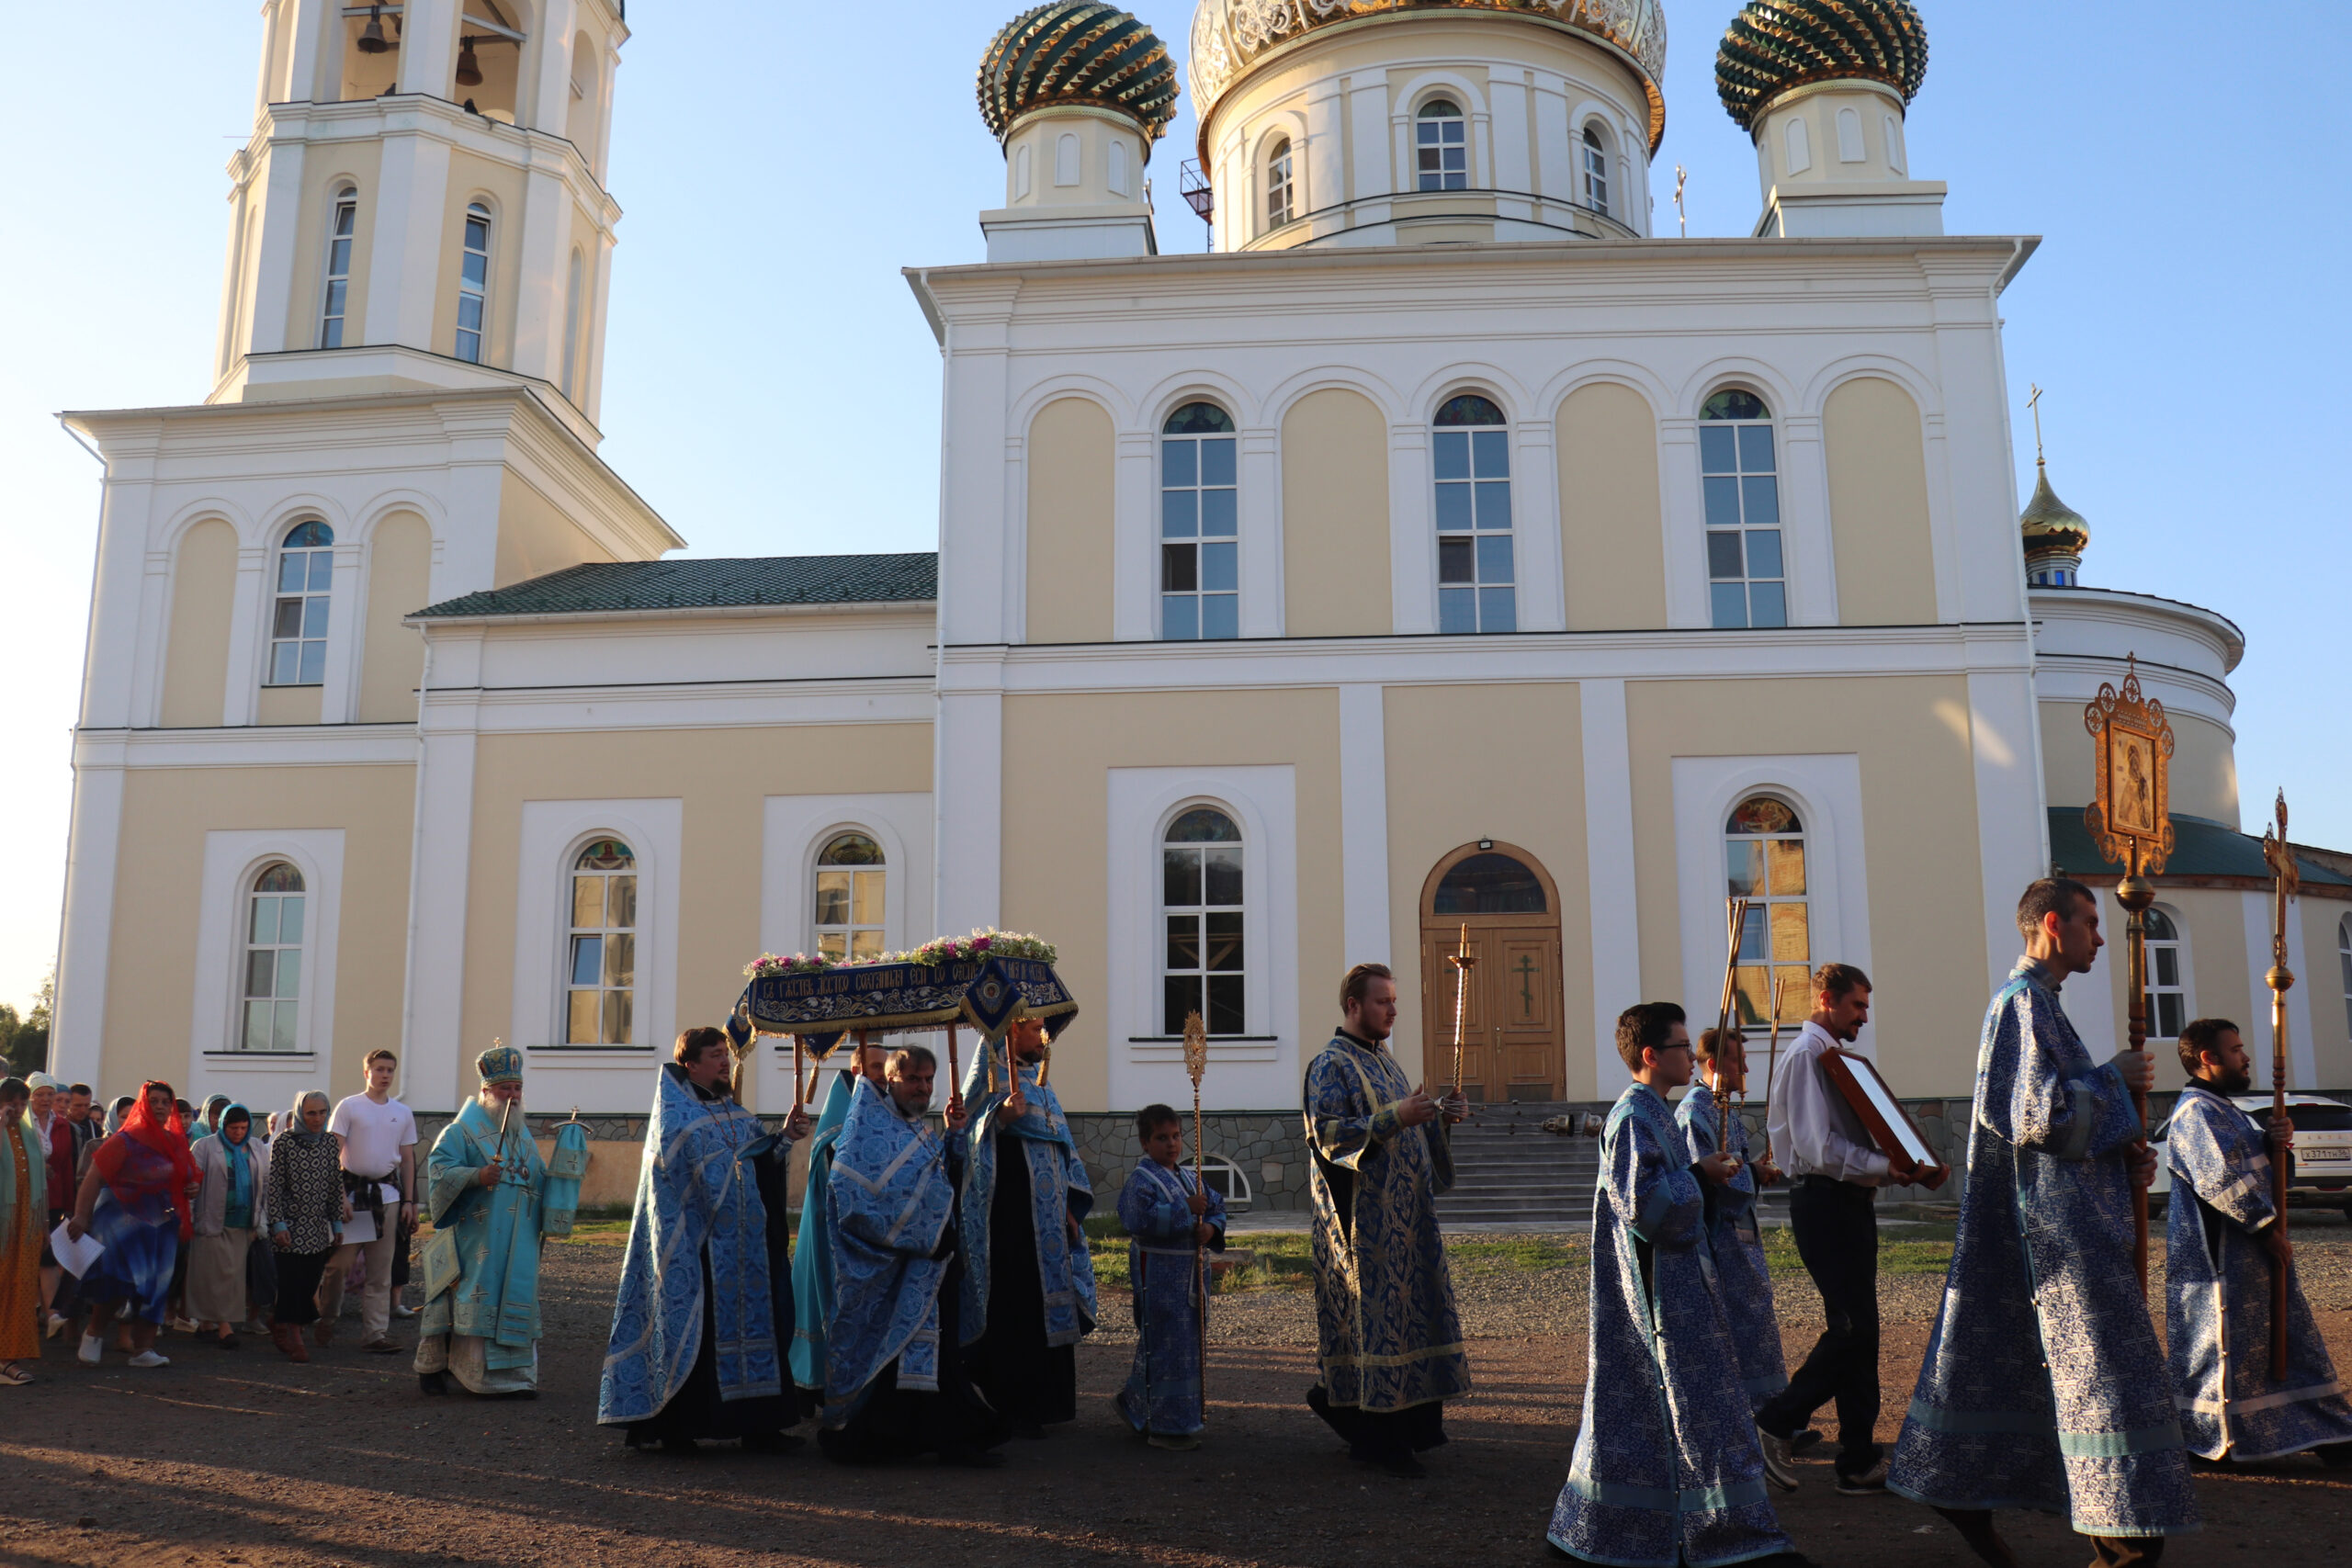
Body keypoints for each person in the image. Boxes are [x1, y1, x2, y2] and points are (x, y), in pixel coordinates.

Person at [1888, 877, 2197, 1567]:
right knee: (2105, 1380)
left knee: (2038, 1372)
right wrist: (2115, 1078)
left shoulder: (2042, 1004)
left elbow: (2055, 1132)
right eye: (2090, 922)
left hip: (2059, 1231)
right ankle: (2122, 1534)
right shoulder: (2021, 1003)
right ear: (2054, 924)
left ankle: (1979, 1496)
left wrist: (2120, 1154)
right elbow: (2039, 1118)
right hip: (2053, 1244)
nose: (2099, 937)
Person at [1548, 1005, 1803, 1567]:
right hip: (1657, 1296)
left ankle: (1717, 1529)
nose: (1692, 1057)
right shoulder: (1633, 1117)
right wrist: (1699, 1175)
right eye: (1683, 1047)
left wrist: (1704, 1177)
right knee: (1679, 1407)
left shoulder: (1655, 1113)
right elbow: (1644, 1208)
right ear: (1651, 1055)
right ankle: (1700, 1534)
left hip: (1685, 1285)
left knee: (1697, 1408)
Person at [1756, 963, 1944, 1495]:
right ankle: (1776, 1423)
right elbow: (1817, 1149)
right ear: (1826, 1000)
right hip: (1824, 1203)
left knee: (1863, 1331)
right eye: (1857, 1005)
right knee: (1852, 1329)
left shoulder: (1835, 1058)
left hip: (1848, 1203)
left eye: (1865, 1006)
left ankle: (1858, 1461)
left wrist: (1903, 1162)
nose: (1864, 1016)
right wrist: (1887, 1166)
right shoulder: (1806, 1056)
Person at [1303, 962, 1470, 1478]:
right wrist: (1398, 1115)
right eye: (1383, 1001)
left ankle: (1412, 1431)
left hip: (1408, 1222)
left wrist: (1440, 1116)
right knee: (1378, 1326)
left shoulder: (1387, 1062)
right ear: (1353, 1006)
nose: (1393, 1010)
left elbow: (1407, 1130)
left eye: (1394, 1000)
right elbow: (1328, 1134)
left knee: (1410, 1320)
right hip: (1365, 1227)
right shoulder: (1329, 1065)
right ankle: (1377, 1440)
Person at [2165, 1017, 2352, 1464]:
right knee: (2224, 1348)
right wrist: (2266, 1231)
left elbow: (2264, 1174)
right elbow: (2219, 1180)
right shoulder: (2196, 1113)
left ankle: (2323, 1430)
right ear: (2208, 1057)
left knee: (2282, 1342)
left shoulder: (2226, 1110)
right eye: (2236, 1050)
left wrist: (2273, 1144)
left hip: (2251, 1256)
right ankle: (2213, 1438)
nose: (2246, 1058)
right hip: (2219, 1263)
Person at [600, 1028, 801, 1443]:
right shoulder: (676, 1118)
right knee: (699, 1335)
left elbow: (759, 1164)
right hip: (698, 1248)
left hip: (747, 1249)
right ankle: (681, 1428)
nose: (725, 1061)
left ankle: (759, 1427)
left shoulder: (735, 1113)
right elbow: (676, 1184)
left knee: (761, 1328)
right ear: (691, 1064)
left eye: (725, 1053)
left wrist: (783, 1138)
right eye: (715, 1055)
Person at [819, 1043, 1005, 1467]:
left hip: (931, 1266)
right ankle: (881, 1437)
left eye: (928, 1079)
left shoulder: (915, 1127)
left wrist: (955, 1135)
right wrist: (922, 1237)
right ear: (890, 1080)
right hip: (889, 1271)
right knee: (894, 1359)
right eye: (913, 1079)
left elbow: (940, 1181)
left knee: (939, 1357)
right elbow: (853, 1200)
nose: (923, 1088)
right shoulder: (867, 1129)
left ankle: (945, 1436)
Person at [956, 1015, 1097, 1438]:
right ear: (1011, 1030)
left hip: (1049, 1221)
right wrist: (997, 1120)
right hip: (1008, 1223)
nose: (1044, 1037)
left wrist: (1070, 1207)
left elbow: (1063, 1148)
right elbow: (962, 1143)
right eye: (1036, 1028)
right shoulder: (989, 1081)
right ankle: (1012, 1406)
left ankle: (1045, 1404)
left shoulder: (1040, 1083)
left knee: (1046, 1306)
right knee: (1014, 1308)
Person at [417, 1046, 572, 1398]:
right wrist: (477, 1175)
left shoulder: (521, 1135)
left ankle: (515, 1379)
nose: (513, 1095)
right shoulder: (460, 1131)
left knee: (515, 1298)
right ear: (486, 1091)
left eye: (517, 1088)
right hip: (477, 1236)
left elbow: (535, 1178)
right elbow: (439, 1171)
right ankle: (452, 1370)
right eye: (505, 1089)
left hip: (520, 1238)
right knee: (466, 1296)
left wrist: (563, 1178)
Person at [1679, 1028, 1789, 1416]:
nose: (1745, 1069)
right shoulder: (1695, 1112)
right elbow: (1706, 1179)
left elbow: (1734, 1165)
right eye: (1737, 1061)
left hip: (1741, 1238)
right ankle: (1749, 1415)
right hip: (1717, 1241)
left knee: (1756, 1323)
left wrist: (1756, 1170)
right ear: (1713, 1064)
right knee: (1732, 1327)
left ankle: (1773, 1413)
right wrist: (1753, 1174)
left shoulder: (1724, 1108)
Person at [1114, 1102, 1227, 1450]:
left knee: (1187, 1346)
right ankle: (1166, 1426)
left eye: (1176, 1136)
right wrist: (1185, 1210)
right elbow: (1137, 1219)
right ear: (1145, 1142)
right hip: (1159, 1276)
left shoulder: (1190, 1177)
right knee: (1165, 1345)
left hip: (1191, 1279)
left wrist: (1210, 1228)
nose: (1172, 1144)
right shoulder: (1141, 1180)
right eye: (1162, 1138)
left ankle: (1138, 1406)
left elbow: (1216, 1205)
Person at [65, 1080, 197, 1369]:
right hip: (120, 1223)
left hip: (161, 1225)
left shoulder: (175, 1141)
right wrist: (81, 1216)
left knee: (156, 1285)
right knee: (117, 1280)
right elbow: (93, 1179)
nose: (160, 1106)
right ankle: (94, 1333)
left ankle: (143, 1349)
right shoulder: (125, 1139)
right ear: (143, 1105)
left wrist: (190, 1188)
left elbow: (184, 1177)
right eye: (154, 1101)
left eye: (165, 1102)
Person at [790, 1034, 888, 1402]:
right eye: (876, 1067)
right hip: (836, 1230)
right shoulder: (843, 1106)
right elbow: (829, 1161)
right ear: (857, 1069)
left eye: (886, 1067)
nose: (883, 1075)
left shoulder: (886, 1105)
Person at [317, 1049, 416, 1354]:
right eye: (379, 1069)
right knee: (339, 1266)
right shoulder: (349, 1107)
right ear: (366, 1072)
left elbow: (408, 1159)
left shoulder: (402, 1112)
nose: (385, 1075)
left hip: (387, 1196)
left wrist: (409, 1201)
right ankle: (327, 1318)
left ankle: (375, 1333)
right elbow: (331, 1155)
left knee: (380, 1270)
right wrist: (338, 1197)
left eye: (390, 1070)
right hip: (352, 1195)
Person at [265, 1089, 346, 1362]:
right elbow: (275, 1187)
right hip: (290, 1225)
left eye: (323, 1112)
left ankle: (279, 1321)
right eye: (311, 1113)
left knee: (310, 1283)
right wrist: (278, 1225)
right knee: (292, 1283)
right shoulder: (284, 1143)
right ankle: (295, 1338)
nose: (317, 1118)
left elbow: (334, 1185)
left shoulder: (329, 1143)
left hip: (317, 1227)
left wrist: (336, 1224)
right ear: (300, 1113)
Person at [189, 1104, 268, 1348]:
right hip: (211, 1219)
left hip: (243, 1222)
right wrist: (189, 1218)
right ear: (223, 1125)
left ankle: (210, 1324)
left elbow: (265, 1183)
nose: (238, 1132)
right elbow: (191, 1183)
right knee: (211, 1275)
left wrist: (262, 1220)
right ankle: (222, 1327)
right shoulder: (204, 1147)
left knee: (232, 1277)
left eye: (243, 1128)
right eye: (234, 1128)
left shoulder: (256, 1147)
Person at [1, 1077, 45, 1385]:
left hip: (24, 1227)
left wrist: (43, 1225)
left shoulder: (29, 1134)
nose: (17, 1109)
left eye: (21, 1103)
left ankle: (8, 1356)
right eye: (11, 1103)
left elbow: (39, 1183)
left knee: (21, 1287)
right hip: (3, 1227)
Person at [28, 1074, 73, 1340]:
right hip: (25, 1197)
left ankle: (52, 1313)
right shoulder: (21, 1123)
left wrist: (69, 1203)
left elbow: (65, 1165)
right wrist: (37, 1166)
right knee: (26, 1256)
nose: (45, 1100)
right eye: (40, 1094)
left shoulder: (62, 1125)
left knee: (48, 1256)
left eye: (49, 1095)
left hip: (52, 1199)